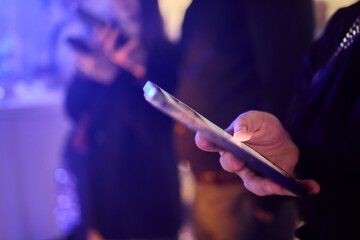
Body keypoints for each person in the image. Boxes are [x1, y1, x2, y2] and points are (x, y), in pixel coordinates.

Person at [195, 1, 360, 239]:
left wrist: (268, 204)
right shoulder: (345, 22)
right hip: (313, 218)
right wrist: (293, 152)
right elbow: (320, 126)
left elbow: (280, 80)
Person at [173, 0, 314, 239]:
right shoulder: (198, 7)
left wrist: (267, 201)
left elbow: (286, 82)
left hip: (244, 191)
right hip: (205, 182)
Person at [63, 0, 182, 239]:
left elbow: (154, 129)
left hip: (148, 194)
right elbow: (73, 110)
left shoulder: (165, 54)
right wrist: (84, 71)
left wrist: (117, 77)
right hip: (103, 188)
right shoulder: (102, 46)